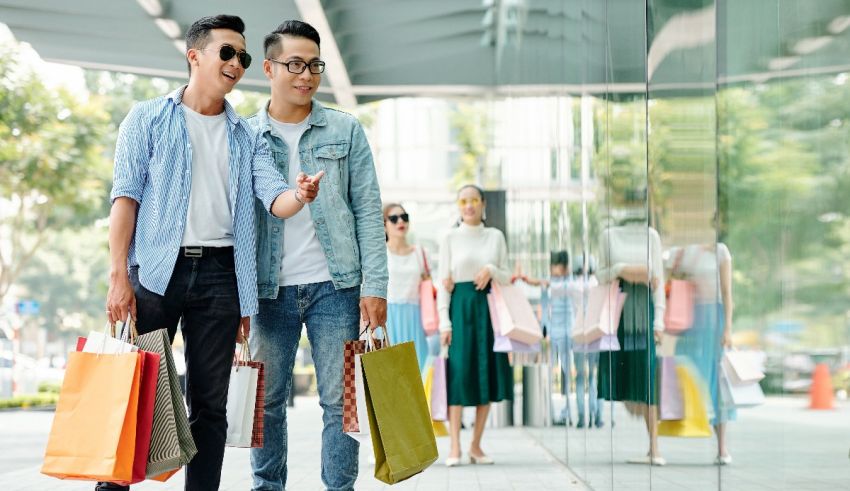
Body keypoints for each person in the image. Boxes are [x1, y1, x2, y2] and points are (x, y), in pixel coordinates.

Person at [103, 15, 323, 491]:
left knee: (210, 404)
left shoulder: (246, 135)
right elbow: (125, 200)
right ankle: (111, 486)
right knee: (136, 392)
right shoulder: (147, 118)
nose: (236, 63)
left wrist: (300, 195)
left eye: (242, 56)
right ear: (195, 56)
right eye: (227, 52)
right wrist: (118, 277)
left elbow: (276, 199)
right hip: (157, 272)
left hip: (222, 276)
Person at [248, 20, 387, 491]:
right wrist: (238, 297)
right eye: (295, 64)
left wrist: (375, 287)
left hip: (338, 288)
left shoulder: (345, 130)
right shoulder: (246, 136)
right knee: (265, 402)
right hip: (270, 292)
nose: (306, 75)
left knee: (340, 403)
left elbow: (369, 211)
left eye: (314, 65)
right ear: (269, 68)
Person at [438, 184, 513, 467]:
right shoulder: (449, 238)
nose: (468, 205)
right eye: (462, 201)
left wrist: (492, 270)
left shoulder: (495, 237)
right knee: (458, 375)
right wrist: (445, 321)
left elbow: (506, 276)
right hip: (461, 307)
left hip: (489, 308)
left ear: (483, 204)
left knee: (487, 373)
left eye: (473, 200)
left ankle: (476, 446)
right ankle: (455, 446)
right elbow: (443, 281)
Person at [596, 193, 666, 466]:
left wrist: (659, 321)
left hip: (643, 315)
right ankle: (637, 413)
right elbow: (601, 274)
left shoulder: (651, 236)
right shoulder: (608, 235)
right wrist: (626, 270)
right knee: (623, 381)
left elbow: (657, 278)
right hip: (616, 316)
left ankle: (654, 447)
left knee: (647, 381)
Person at [669, 242, 736, 465]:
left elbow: (726, 292)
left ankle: (722, 446)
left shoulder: (720, 250)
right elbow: (671, 282)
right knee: (688, 374)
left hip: (712, 318)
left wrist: (727, 328)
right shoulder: (684, 251)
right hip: (689, 318)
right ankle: (694, 424)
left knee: (716, 382)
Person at [523, 251, 575, 426]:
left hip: (568, 331)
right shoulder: (548, 282)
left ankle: (567, 411)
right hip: (553, 332)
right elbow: (545, 306)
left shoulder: (569, 282)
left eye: (557, 265)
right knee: (549, 371)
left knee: (567, 372)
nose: (554, 269)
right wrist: (544, 328)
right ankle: (550, 412)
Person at [384, 203, 431, 372]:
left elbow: (428, 285)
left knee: (417, 374)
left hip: (415, 318)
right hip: (387, 320)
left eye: (404, 217)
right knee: (389, 376)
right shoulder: (380, 253)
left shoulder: (420, 253)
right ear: (384, 224)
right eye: (394, 218)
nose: (400, 222)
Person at [570, 255, 604, 429]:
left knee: (580, 378)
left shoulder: (572, 285)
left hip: (578, 333)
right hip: (593, 333)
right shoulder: (596, 284)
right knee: (593, 377)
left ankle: (582, 418)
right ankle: (597, 416)